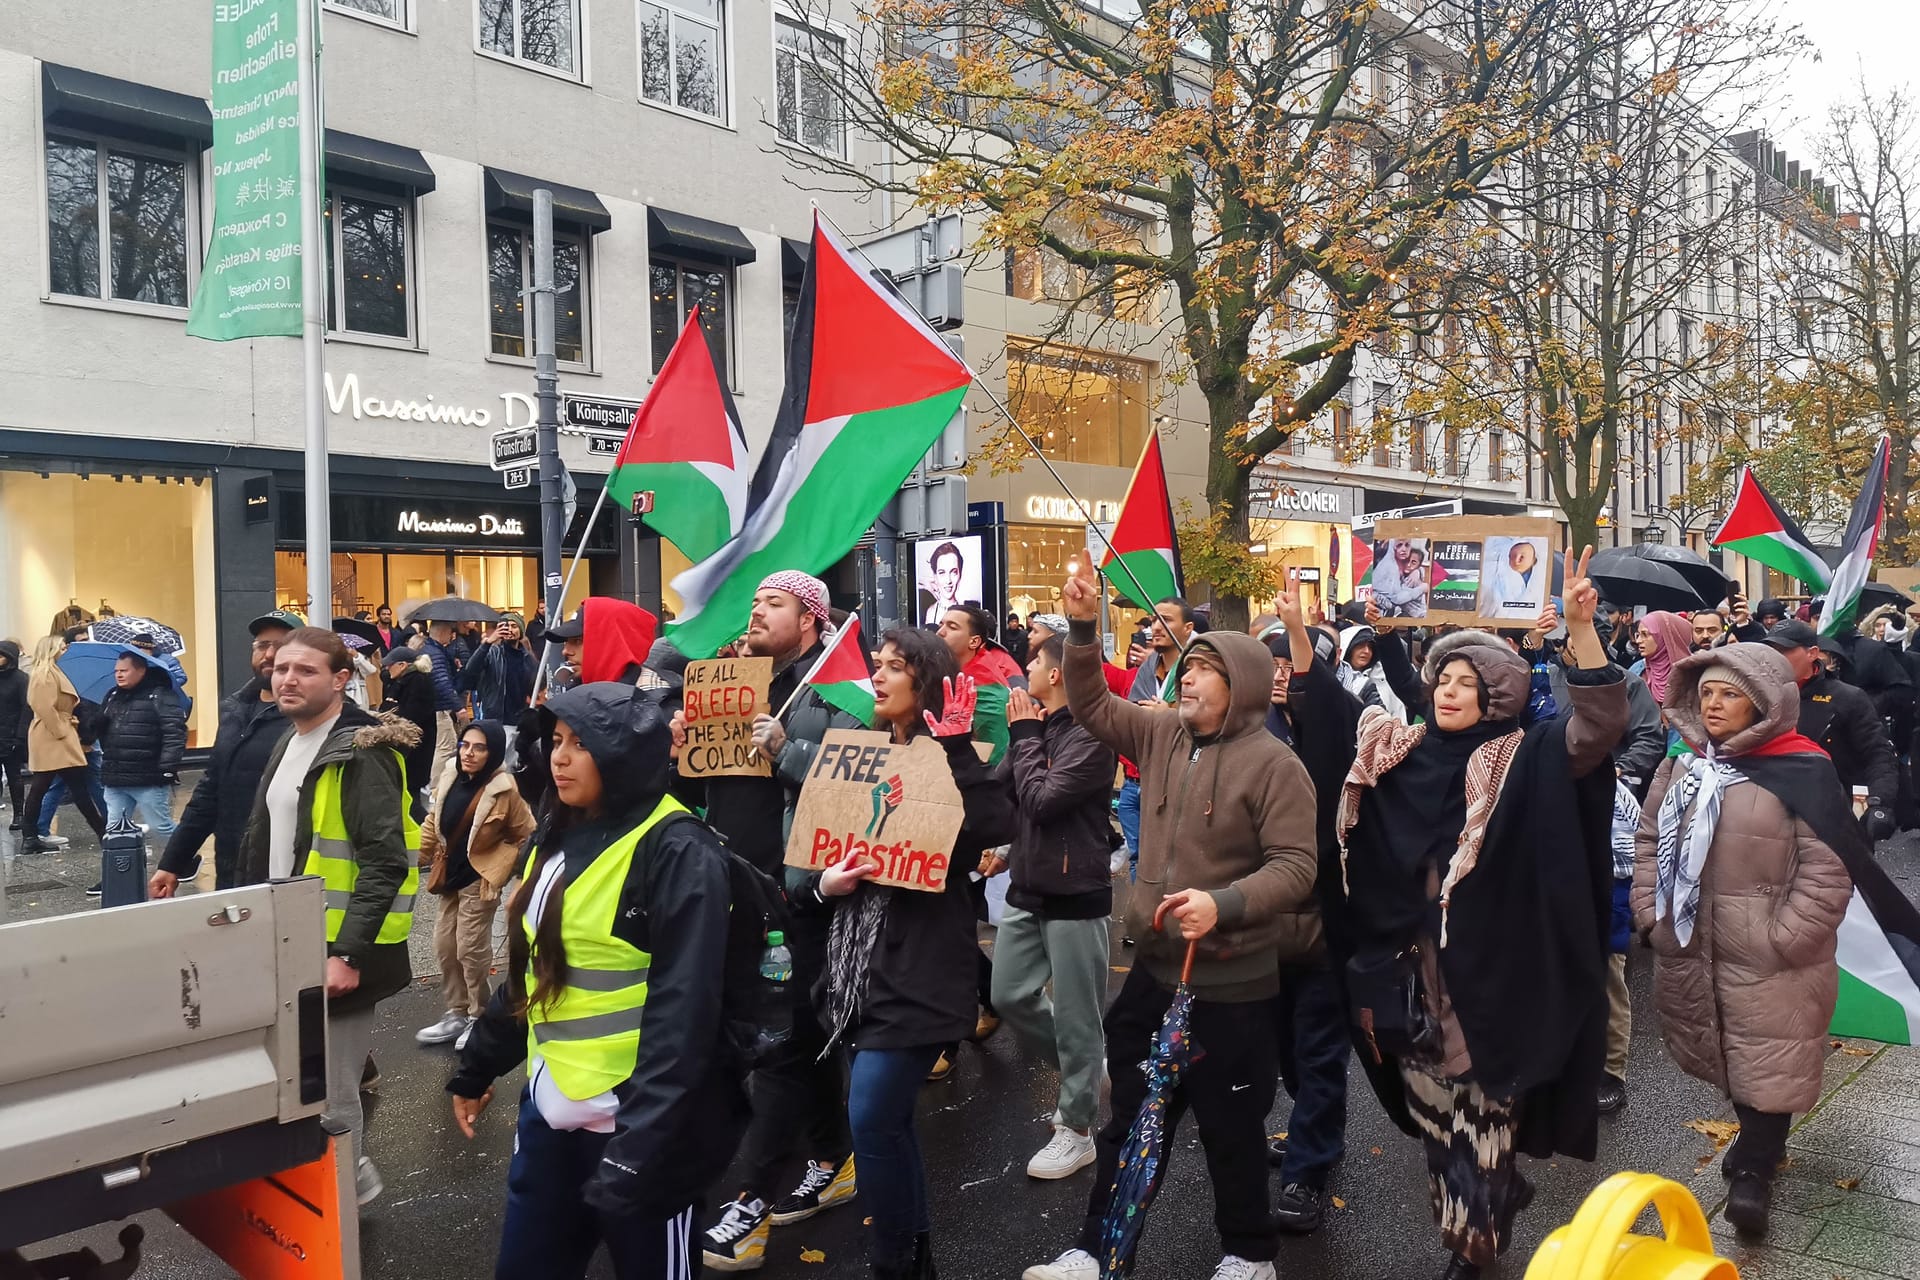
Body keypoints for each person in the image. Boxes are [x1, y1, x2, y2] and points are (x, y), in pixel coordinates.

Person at [1026, 564, 1320, 1280]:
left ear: (1243, 686)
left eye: (1205, 671)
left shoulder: (1278, 766)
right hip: (1155, 976)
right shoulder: (1159, 733)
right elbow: (1092, 701)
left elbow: (1297, 867)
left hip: (1235, 986)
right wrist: (1086, 628)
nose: (1186, 680)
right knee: (1128, 1121)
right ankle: (1099, 1251)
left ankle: (1250, 1255)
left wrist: (1224, 903)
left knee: (1230, 1130)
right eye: (1186, 669)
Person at [1339, 548, 1626, 1279]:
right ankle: (1499, 1191)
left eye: (1469, 682)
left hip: (1494, 976)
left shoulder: (1524, 756)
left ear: (1495, 696)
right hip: (1413, 974)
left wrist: (1582, 635)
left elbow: (1595, 730)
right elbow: (1334, 726)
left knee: (1483, 1105)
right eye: (1445, 680)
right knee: (1434, 1109)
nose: (1450, 692)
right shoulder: (1400, 751)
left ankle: (1473, 1244)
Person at [448, 684, 748, 1279]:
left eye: (582, 744)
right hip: (551, 1116)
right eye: (556, 741)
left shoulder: (679, 850)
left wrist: (643, 1148)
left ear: (626, 754)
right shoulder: (555, 835)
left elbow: (685, 1016)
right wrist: (478, 1065)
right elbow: (536, 974)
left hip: (639, 1128)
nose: (559, 757)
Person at [802, 629, 1011, 1279]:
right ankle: (915, 1259)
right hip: (858, 972)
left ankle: (892, 1262)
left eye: (897, 667)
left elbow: (991, 825)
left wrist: (952, 746)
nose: (881, 675)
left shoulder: (946, 752)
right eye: (879, 665)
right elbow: (814, 862)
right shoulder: (856, 755)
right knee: (888, 1125)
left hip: (921, 969)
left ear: (928, 684)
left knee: (869, 1117)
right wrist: (824, 884)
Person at [1634, 645, 1854, 1237]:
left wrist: (1788, 936)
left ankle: (1754, 1169)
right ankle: (1756, 1146)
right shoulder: (1684, 766)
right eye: (1705, 692)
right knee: (1729, 1054)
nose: (1712, 704)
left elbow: (1830, 864)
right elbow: (1650, 837)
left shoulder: (1804, 769)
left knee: (1771, 1063)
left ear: (1763, 702)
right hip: (1693, 943)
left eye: (1728, 693)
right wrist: (1652, 911)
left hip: (1774, 957)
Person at [690, 574, 866, 1273]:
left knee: (788, 1044)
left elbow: (857, 786)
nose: (758, 612)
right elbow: (708, 785)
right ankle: (833, 1156)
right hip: (738, 885)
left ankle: (752, 1199)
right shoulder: (736, 681)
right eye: (756, 602)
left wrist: (786, 749)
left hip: (801, 895)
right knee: (802, 1039)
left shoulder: (840, 690)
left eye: (775, 604)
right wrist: (680, 743)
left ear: (812, 621)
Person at [243, 627, 421, 1206]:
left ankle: (341, 1206)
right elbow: (267, 840)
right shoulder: (289, 738)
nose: (287, 678)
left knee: (333, 1087)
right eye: (280, 668)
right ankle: (335, 1183)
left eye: (306, 670)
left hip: (335, 946)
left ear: (342, 680)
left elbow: (384, 861)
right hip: (284, 936)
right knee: (290, 1076)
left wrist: (347, 953)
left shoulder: (362, 753)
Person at [990, 634, 1116, 1181]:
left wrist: (1023, 736)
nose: (1024, 672)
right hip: (1028, 883)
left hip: (1075, 892)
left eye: (1033, 663)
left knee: (1076, 1016)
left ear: (1058, 674)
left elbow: (1042, 800)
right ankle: (1082, 1075)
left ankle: (1078, 1126)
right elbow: (1005, 793)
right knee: (1008, 995)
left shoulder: (1093, 733)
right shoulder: (1038, 727)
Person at [1261, 591, 1363, 1232]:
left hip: (1327, 919)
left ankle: (1308, 1171)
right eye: (1267, 665)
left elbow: (1320, 697)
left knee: (1321, 1050)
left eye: (1292, 665)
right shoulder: (1247, 736)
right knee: (1285, 1052)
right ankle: (1310, 1126)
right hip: (1264, 922)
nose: (1281, 676)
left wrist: (1299, 630)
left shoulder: (1345, 727)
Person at [153, 611, 300, 895]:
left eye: (280, 646)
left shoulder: (306, 716)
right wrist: (172, 862)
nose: (269, 654)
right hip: (232, 864)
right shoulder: (236, 709)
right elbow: (209, 792)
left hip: (285, 870)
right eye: (261, 645)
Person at [415, 722, 536, 1050]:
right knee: (444, 946)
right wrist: (418, 857)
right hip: (449, 877)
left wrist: (509, 867)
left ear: (493, 751)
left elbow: (527, 833)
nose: (468, 753)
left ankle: (478, 1015)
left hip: (479, 880)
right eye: (465, 745)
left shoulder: (504, 788)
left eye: (479, 747)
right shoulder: (450, 774)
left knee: (470, 947)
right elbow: (432, 820)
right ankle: (456, 1011)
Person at [1762, 621, 1899, 839]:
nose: (1776, 658)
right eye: (1771, 651)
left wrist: (1879, 802)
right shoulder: (1758, 696)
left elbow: (1878, 753)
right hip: (1770, 812)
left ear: (1812, 653)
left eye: (1784, 651)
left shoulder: (1847, 698)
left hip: (1833, 815)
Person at [97, 651, 187, 892]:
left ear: (140, 670)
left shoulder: (160, 695)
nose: (118, 675)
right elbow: (103, 733)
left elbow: (175, 732)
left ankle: (187, 856)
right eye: (116, 671)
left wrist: (168, 767)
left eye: (123, 671)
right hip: (115, 775)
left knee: (160, 826)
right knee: (114, 829)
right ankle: (113, 872)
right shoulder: (112, 696)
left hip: (147, 776)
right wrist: (93, 724)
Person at [19, 634, 109, 855]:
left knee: (52, 785)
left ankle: (30, 836)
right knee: (66, 786)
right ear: (51, 649)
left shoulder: (50, 672)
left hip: (55, 734)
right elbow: (43, 707)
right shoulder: (45, 674)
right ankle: (101, 832)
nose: (64, 649)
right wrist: (61, 730)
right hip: (53, 736)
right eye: (61, 646)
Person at [935, 605, 1023, 764]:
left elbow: (992, 759)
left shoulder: (987, 691)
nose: (940, 632)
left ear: (974, 641)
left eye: (952, 627)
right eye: (941, 624)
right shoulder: (943, 672)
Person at [379, 646, 439, 822]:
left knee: (411, 798)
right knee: (407, 795)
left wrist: (390, 710)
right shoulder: (403, 681)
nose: (386, 669)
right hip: (410, 745)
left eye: (390, 665)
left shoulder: (418, 682)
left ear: (403, 665)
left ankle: (428, 833)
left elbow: (411, 715)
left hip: (415, 748)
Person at [462, 613, 538, 723]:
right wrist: (487, 643)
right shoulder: (493, 653)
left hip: (521, 719)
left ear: (521, 630)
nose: (509, 630)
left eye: (514, 626)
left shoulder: (528, 658)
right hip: (498, 718)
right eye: (505, 627)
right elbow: (471, 669)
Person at [421, 620, 466, 781]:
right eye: (449, 632)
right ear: (442, 633)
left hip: (434, 706)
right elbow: (442, 682)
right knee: (445, 747)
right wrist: (458, 706)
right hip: (440, 708)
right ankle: (434, 786)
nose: (451, 635)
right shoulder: (436, 654)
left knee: (441, 746)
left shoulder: (432, 650)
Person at [1335, 624, 1409, 721]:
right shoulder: (1334, 678)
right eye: (1360, 645)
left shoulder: (1384, 678)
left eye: (1370, 647)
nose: (1366, 651)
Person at [1630, 610, 1695, 705]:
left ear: (1664, 637)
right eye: (1638, 635)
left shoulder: (1693, 672)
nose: (1638, 641)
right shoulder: (1637, 671)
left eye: (1645, 635)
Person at [0, 641, 28, 830]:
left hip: (11, 734)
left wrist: (20, 735)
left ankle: (19, 814)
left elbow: (26, 708)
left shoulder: (20, 679)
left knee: (14, 776)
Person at [1479, 540, 1545, 619]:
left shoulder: (1516, 586)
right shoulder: (1502, 544)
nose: (1516, 559)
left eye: (1521, 558)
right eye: (1510, 556)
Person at [1372, 539, 1430, 619]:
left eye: (1407, 545)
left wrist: (1417, 572)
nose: (1408, 564)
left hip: (1418, 616)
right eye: (1406, 561)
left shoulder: (1412, 578)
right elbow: (1397, 599)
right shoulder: (1391, 567)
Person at [920, 541, 967, 625]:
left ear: (960, 574)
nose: (948, 580)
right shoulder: (929, 612)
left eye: (953, 572)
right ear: (935, 576)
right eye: (942, 573)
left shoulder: (967, 614)